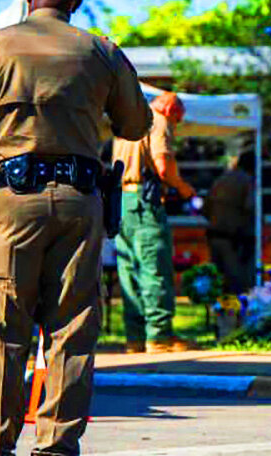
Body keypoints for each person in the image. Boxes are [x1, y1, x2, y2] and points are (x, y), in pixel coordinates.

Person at [0, 0, 151, 456]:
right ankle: (56, 447)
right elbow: (136, 126)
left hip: (12, 203)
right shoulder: (101, 52)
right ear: (75, 1)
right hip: (80, 203)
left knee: (1, 334)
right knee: (71, 332)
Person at [113, 91, 198, 354]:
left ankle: (135, 337)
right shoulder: (158, 121)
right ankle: (159, 336)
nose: (176, 125)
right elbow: (163, 165)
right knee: (154, 268)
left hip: (122, 202)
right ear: (170, 108)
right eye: (178, 119)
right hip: (146, 203)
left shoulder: (129, 121)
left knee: (129, 271)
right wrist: (185, 190)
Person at [202, 152, 257, 294]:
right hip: (234, 238)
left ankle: (219, 312)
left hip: (214, 235)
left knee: (218, 282)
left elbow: (206, 208)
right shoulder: (247, 181)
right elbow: (250, 208)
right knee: (237, 284)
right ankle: (235, 314)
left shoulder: (221, 179)